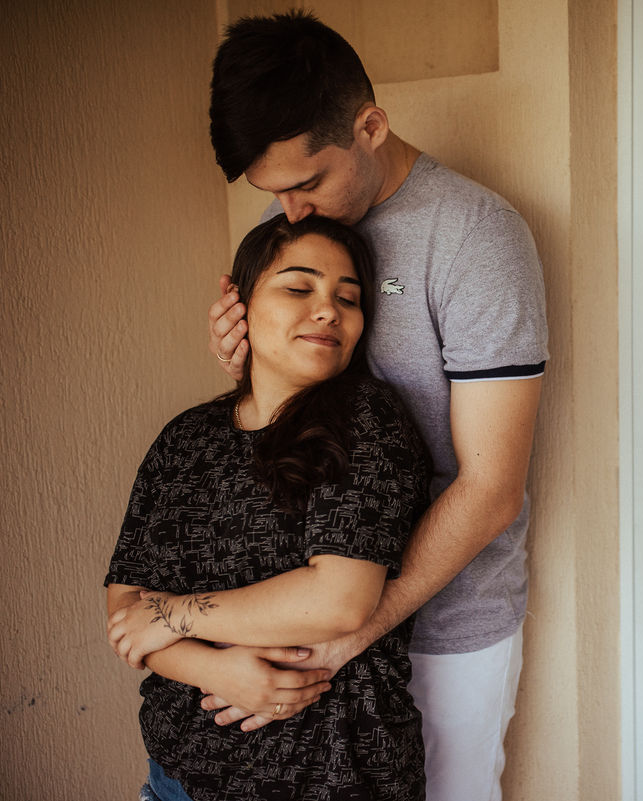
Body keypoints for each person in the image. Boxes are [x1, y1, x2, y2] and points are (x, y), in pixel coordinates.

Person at [202, 12, 547, 801]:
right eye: (272, 192)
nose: (291, 212)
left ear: (370, 127)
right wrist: (246, 364)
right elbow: (279, 424)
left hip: (439, 627)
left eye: (307, 183)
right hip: (303, 607)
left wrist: (356, 627)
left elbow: (491, 488)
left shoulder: (476, 237)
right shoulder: (284, 229)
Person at [105, 214, 430, 800]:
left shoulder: (366, 420)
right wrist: (213, 669)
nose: (328, 311)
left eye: (348, 298)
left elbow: (338, 600)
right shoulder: (186, 437)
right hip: (176, 776)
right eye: (299, 288)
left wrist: (172, 616)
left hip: (327, 777)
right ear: (239, 306)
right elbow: (127, 609)